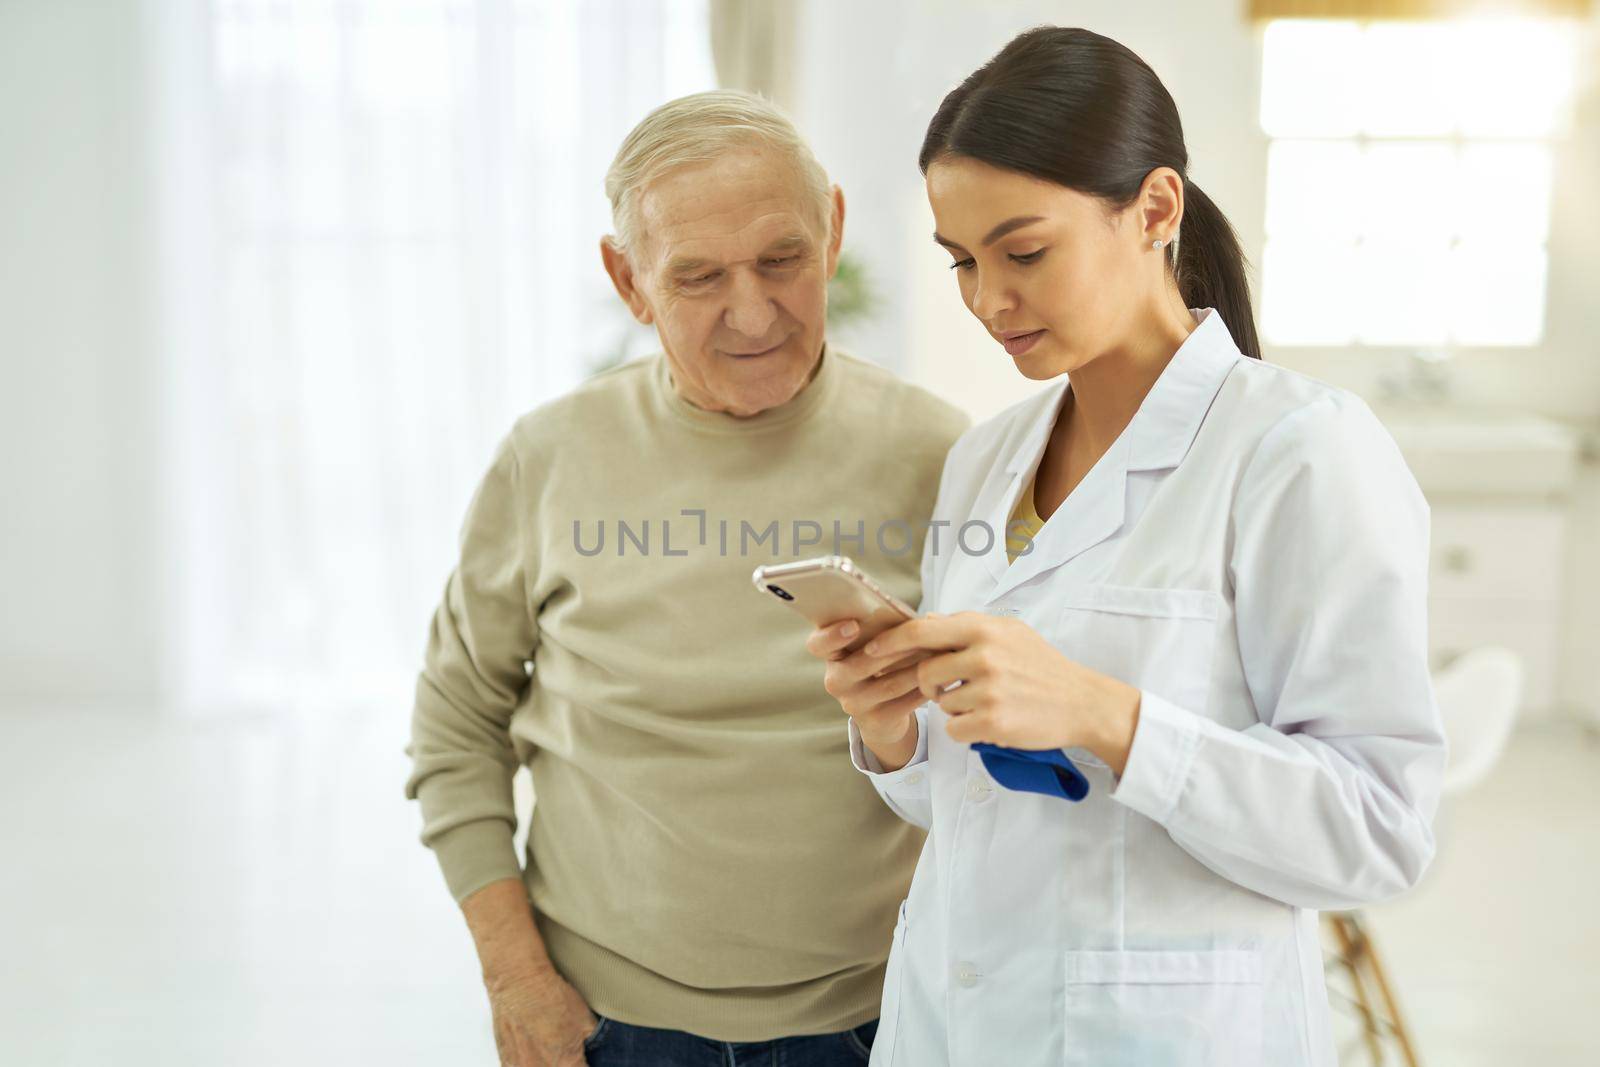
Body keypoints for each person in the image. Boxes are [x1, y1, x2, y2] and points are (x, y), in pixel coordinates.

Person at [806, 27, 1446, 1066]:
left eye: (1023, 252)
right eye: (963, 260)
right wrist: (895, 734)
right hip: (950, 1022)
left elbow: (1378, 828)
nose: (985, 299)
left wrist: (1108, 715)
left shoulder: (1298, 451)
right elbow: (966, 802)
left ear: (1153, 209)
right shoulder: (986, 459)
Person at [403, 90, 968, 1066]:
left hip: (883, 1020)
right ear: (627, 279)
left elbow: (998, 748)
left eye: (781, 259)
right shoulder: (549, 458)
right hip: (605, 1023)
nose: (751, 311)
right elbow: (455, 727)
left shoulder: (944, 454)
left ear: (832, 230)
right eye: (698, 276)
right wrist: (516, 979)